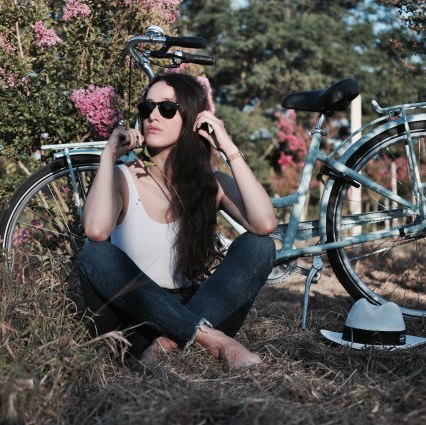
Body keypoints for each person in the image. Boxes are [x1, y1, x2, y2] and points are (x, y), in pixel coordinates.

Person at [76, 73, 277, 369]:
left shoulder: (210, 183)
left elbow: (265, 224)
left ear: (193, 119)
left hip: (191, 308)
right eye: (147, 107)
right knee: (94, 254)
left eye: (167, 108)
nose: (153, 115)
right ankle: (213, 340)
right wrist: (109, 155)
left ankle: (168, 344)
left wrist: (228, 148)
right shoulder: (122, 177)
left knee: (259, 246)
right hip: (129, 320)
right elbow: (95, 230)